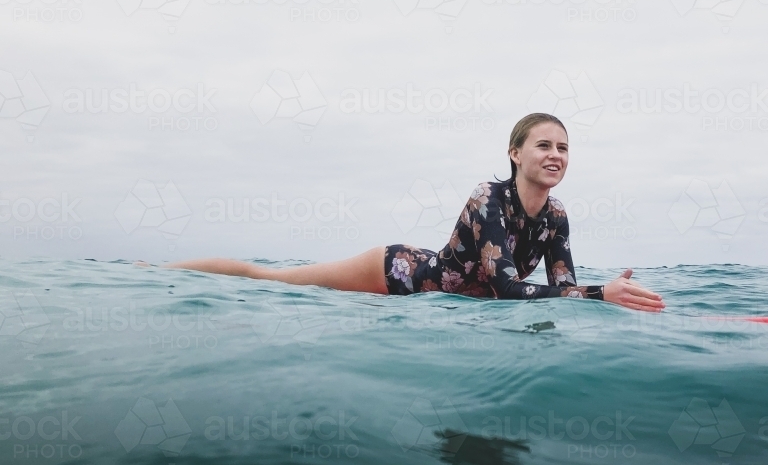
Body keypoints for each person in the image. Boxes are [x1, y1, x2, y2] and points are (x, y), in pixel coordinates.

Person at [162, 113, 665, 313]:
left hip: (449, 288)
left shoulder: (556, 216)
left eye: (564, 147)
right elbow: (509, 289)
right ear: (515, 153)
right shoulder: (487, 197)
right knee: (272, 279)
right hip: (400, 273)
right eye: (543, 145)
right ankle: (163, 271)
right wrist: (601, 292)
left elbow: (561, 290)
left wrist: (606, 299)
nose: (556, 155)